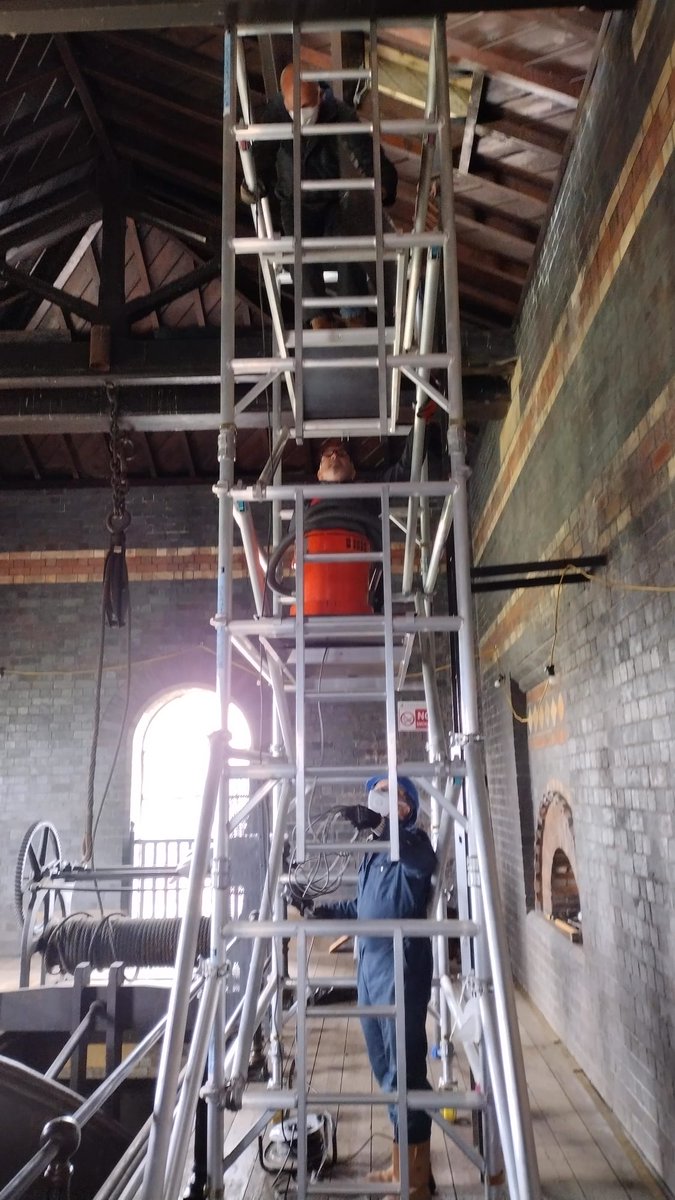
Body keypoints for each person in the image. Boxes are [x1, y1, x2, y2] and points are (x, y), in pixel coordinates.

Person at [312, 775, 438, 1199]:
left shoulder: (411, 846)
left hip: (400, 967)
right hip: (369, 965)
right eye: (378, 790)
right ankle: (400, 1165)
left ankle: (417, 1182)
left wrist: (396, 826)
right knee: (386, 1069)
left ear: (407, 805)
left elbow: (425, 863)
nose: (381, 798)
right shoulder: (373, 853)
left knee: (407, 1070)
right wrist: (319, 911)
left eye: (392, 792)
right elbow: (361, 904)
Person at [242, 63, 398, 329]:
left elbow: (366, 150)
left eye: (306, 106)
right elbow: (262, 159)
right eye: (294, 109)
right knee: (297, 252)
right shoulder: (276, 115)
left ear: (319, 95)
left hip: (331, 200)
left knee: (347, 245)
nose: (301, 114)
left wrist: (383, 183)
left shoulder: (338, 113)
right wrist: (252, 186)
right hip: (294, 203)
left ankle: (354, 319)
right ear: (284, 101)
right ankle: (319, 326)